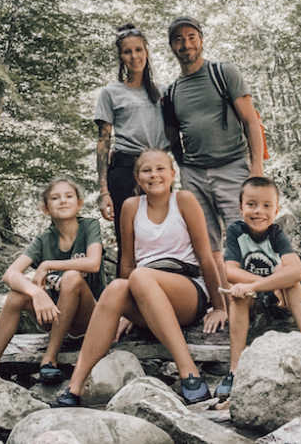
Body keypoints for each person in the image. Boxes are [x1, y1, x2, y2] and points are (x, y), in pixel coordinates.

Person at [55, 149, 228, 407]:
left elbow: (205, 257)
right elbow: (127, 261)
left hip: (186, 289)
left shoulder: (184, 200)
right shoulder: (131, 207)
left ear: (172, 173)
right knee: (116, 287)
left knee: (141, 276)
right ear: (137, 177)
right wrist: (125, 313)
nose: (154, 175)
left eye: (160, 169)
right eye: (147, 170)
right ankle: (74, 387)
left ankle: (189, 372)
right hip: (142, 290)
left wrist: (219, 306)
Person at [164, 16, 265, 290]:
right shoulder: (171, 92)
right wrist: (184, 170)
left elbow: (251, 122)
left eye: (191, 37)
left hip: (232, 166)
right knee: (206, 242)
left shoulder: (223, 73)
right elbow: (173, 138)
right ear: (172, 46)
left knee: (243, 233)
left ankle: (255, 295)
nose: (186, 44)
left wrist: (256, 170)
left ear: (201, 40)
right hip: (194, 174)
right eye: (179, 39)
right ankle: (221, 299)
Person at [0, 178, 105, 385]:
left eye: (69, 196)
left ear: (79, 203)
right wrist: (36, 292)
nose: (63, 201)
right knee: (16, 296)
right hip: (57, 316)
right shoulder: (44, 239)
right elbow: (10, 274)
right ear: (45, 209)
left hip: (90, 319)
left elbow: (93, 263)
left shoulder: (89, 226)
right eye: (55, 198)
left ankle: (49, 358)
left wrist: (47, 264)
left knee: (72, 277)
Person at [215, 176, 301, 399]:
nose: (258, 211)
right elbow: (229, 271)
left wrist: (268, 285)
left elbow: (297, 271)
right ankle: (235, 369)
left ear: (276, 209)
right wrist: (265, 286)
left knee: (292, 282)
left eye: (266, 205)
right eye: (251, 205)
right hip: (252, 299)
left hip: (277, 300)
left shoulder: (276, 234)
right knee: (238, 294)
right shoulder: (236, 232)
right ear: (241, 208)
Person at [94, 23, 169, 271]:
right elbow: (103, 141)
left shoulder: (162, 93)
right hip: (125, 170)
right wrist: (104, 191)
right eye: (127, 52)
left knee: (161, 236)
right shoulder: (111, 92)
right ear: (121, 57)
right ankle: (125, 301)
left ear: (146, 51)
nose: (134, 56)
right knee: (128, 241)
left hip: (158, 170)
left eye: (138, 50)